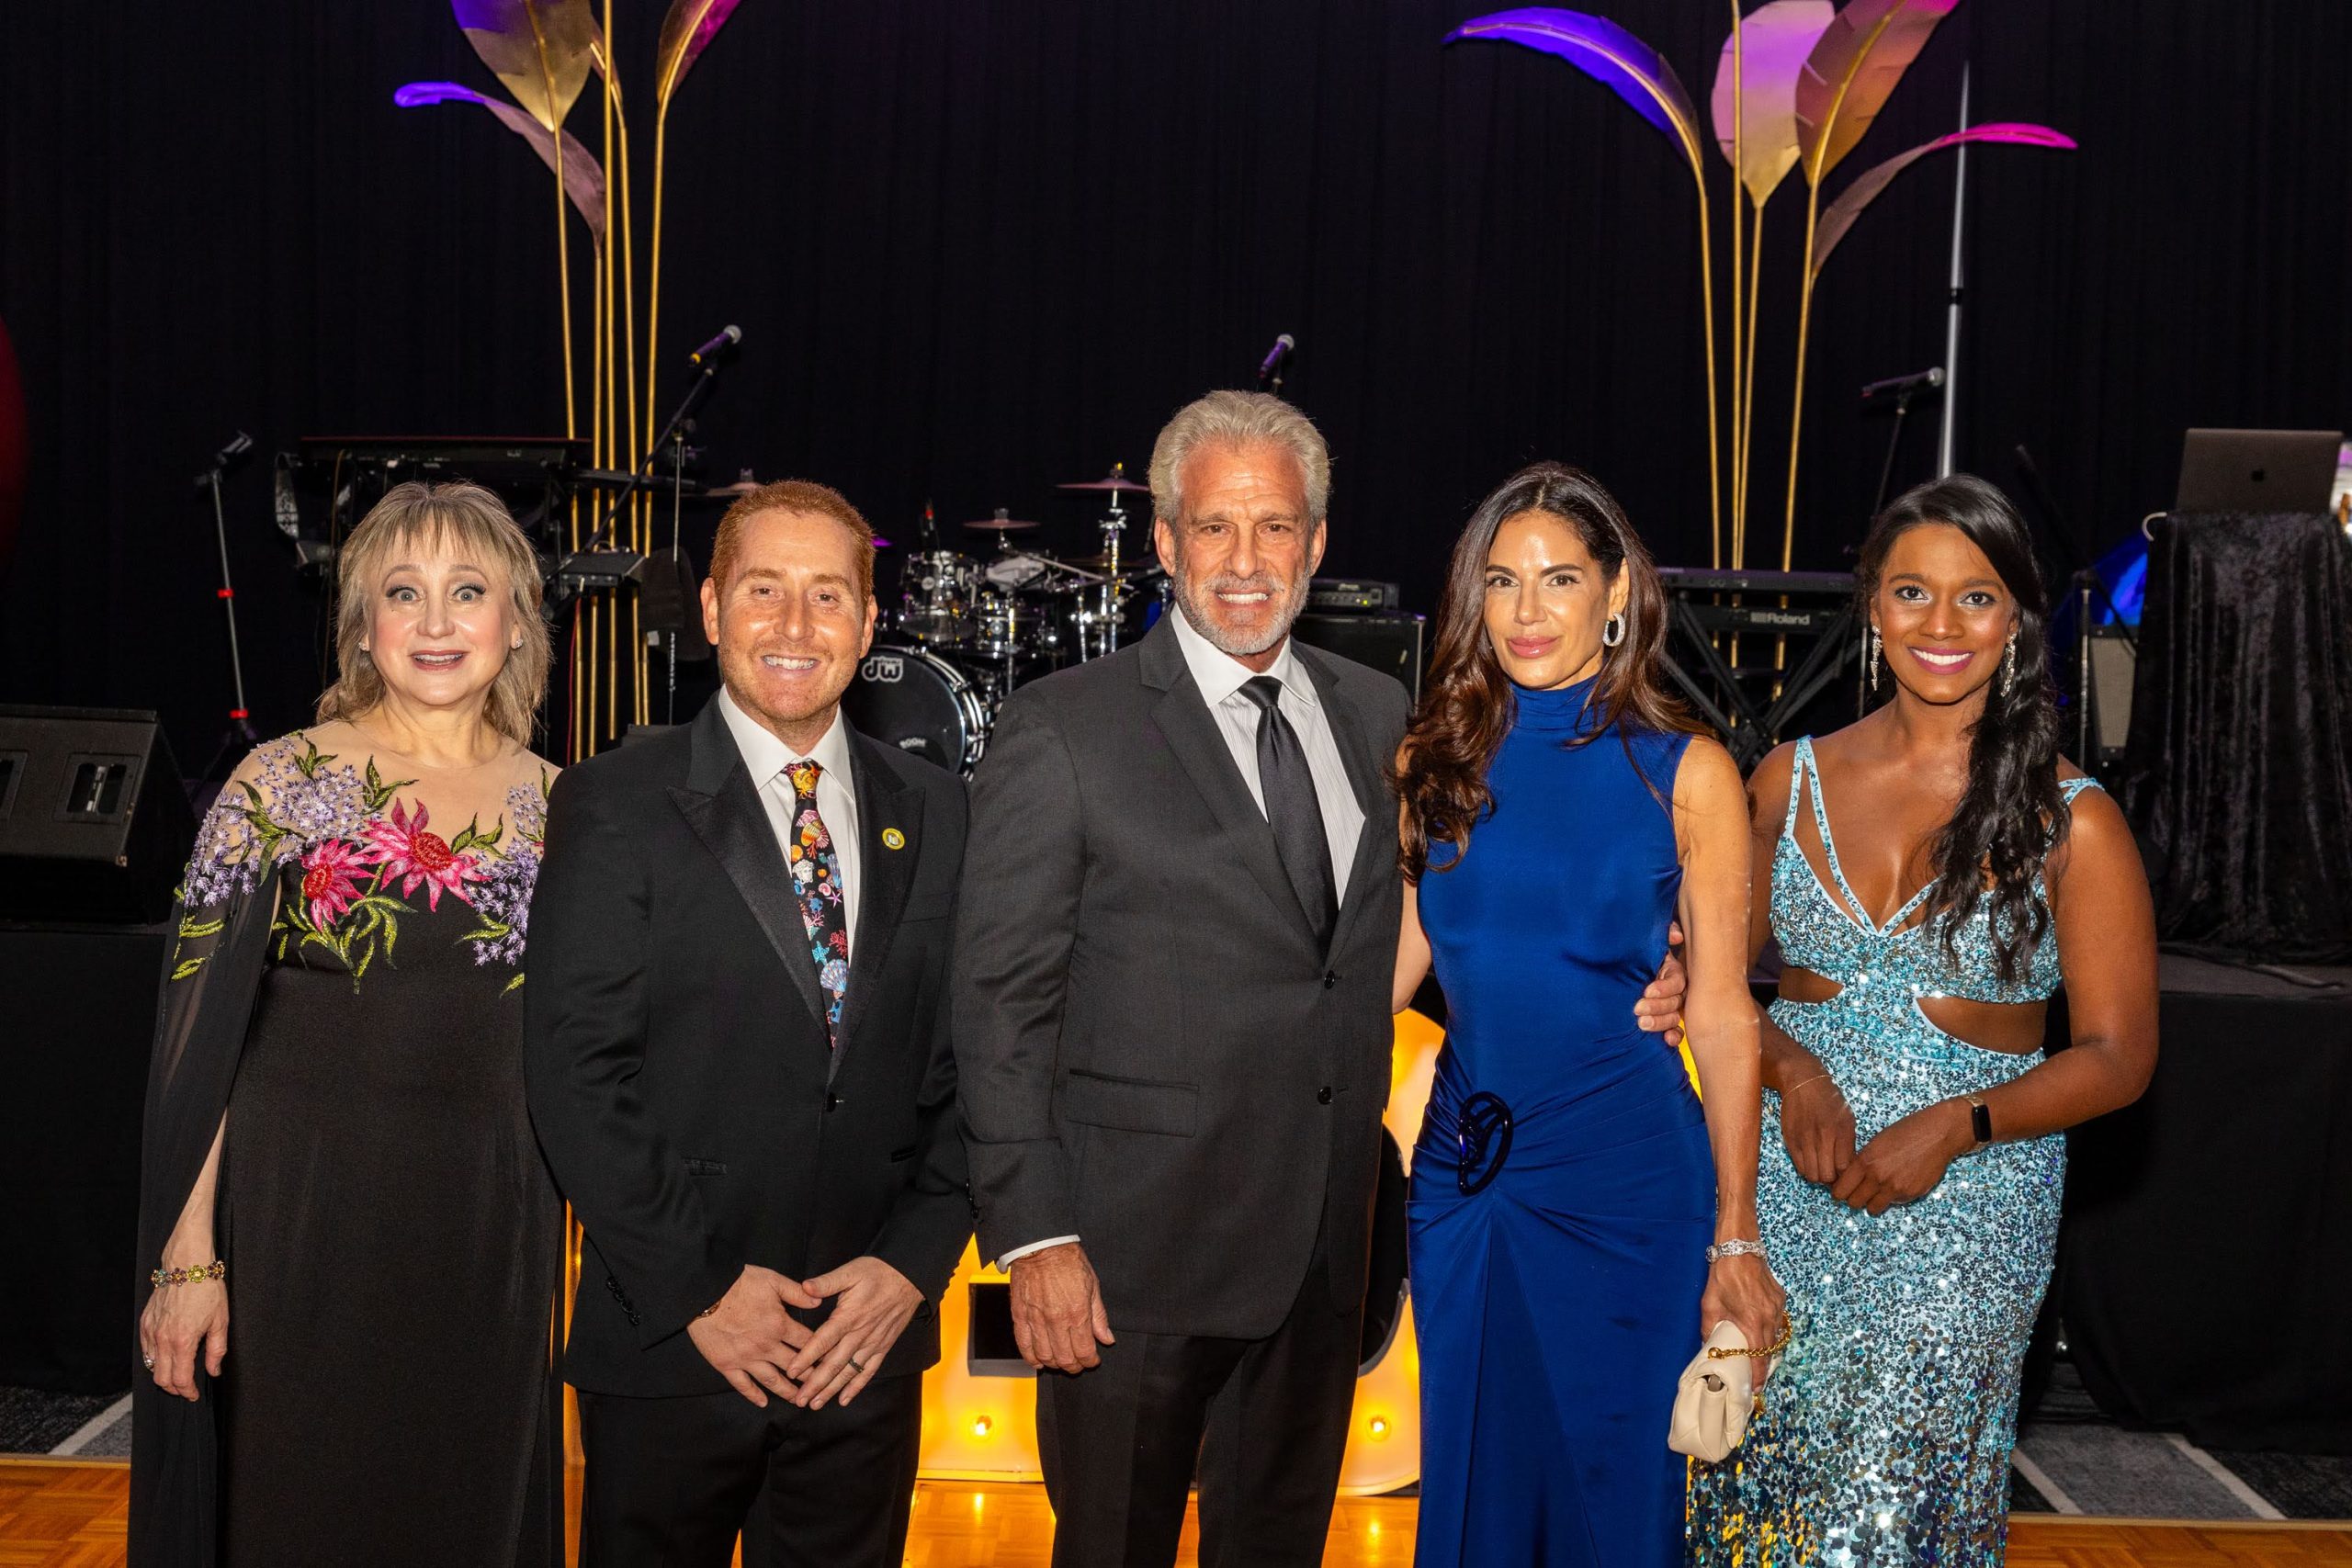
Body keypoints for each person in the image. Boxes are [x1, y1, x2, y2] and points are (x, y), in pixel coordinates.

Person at [953, 393, 1689, 1567]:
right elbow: (997, 1007)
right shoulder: (1063, 730)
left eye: (1275, 527)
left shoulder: (1378, 716)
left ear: (1318, 544)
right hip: (1129, 1267)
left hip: (1322, 1259)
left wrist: (1659, 959)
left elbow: (1448, 925)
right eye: (1214, 527)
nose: (1245, 561)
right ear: (1165, 542)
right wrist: (1035, 1237)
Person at [1686, 474, 2159, 1566]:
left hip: (1969, 1213)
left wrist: (1957, 1125)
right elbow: (1713, 991)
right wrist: (1794, 1071)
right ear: (1871, 606)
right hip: (1784, 1191)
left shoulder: (2072, 820)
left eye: (1975, 598)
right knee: (1760, 1493)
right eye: (1911, 593)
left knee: (1899, 1508)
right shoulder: (1784, 780)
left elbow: (2119, 1056)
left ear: (2016, 620)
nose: (1940, 625)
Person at [524, 479, 971, 1568]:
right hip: (674, 1342)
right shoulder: (613, 800)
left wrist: (912, 1267)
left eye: (828, 595)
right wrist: (701, 1291)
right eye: (765, 590)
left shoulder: (942, 810)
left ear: (870, 622)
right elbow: (576, 1073)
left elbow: (981, 1061)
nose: (795, 625)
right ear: (713, 608)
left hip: (863, 1346)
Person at [131, 480, 564, 1566]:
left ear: (515, 622)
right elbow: (194, 1053)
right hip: (301, 1232)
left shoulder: (567, 807)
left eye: (467, 591)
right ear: (363, 628)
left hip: (489, 1237)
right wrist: (189, 1260)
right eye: (402, 593)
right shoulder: (279, 783)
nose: (434, 621)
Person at [1390, 464, 1781, 1568]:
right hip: (1467, 1179)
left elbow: (1721, 1012)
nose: (1526, 610)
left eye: (1558, 578)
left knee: (1615, 1499)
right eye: (1501, 581)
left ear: (1616, 594)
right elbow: (1385, 976)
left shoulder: (1686, 772)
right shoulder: (1434, 761)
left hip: (1629, 1184)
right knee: (1473, 1480)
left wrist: (1736, 1233)